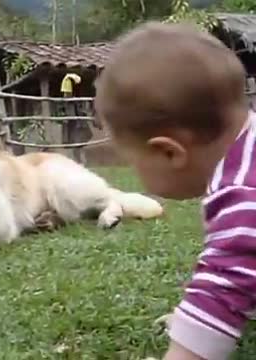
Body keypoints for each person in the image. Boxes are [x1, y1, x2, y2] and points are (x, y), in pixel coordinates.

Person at [95, 22, 256, 360]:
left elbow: (224, 284)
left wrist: (191, 340)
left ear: (169, 152)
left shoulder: (242, 189)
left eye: (132, 161)